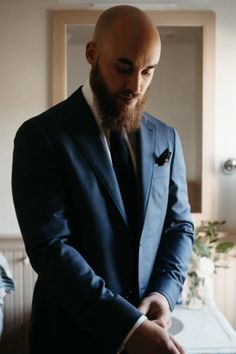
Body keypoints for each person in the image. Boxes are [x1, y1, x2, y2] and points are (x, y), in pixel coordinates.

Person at [12, 5, 194, 354]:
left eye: (148, 71)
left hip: (151, 328)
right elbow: (51, 248)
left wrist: (164, 294)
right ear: (92, 53)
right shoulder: (41, 136)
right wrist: (128, 327)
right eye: (124, 67)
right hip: (68, 340)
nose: (135, 85)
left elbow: (179, 226)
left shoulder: (167, 137)